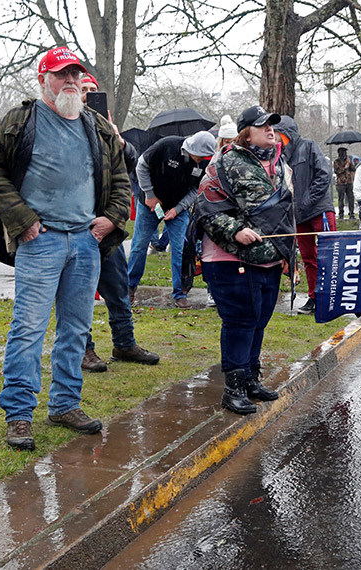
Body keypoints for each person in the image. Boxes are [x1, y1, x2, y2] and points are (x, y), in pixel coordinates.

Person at [0, 46, 131, 450]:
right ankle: (18, 414)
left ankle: (65, 403)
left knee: (76, 328)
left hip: (85, 242)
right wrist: (23, 221)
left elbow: (120, 176)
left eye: (75, 74)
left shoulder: (97, 126)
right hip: (40, 241)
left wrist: (112, 218)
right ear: (42, 79)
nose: (70, 81)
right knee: (28, 328)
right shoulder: (20, 120)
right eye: (61, 74)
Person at [192, 105, 293, 415]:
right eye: (263, 126)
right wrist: (235, 231)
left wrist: (290, 256)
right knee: (240, 321)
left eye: (273, 125)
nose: (270, 130)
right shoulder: (225, 163)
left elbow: (286, 213)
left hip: (269, 258)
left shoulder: (278, 163)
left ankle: (250, 379)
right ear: (245, 132)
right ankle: (233, 388)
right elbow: (204, 208)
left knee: (259, 321)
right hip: (229, 259)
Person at [79, 71, 160, 373]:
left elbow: (129, 163)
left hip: (109, 225)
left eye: (92, 89)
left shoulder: (106, 128)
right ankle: (83, 350)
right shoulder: (66, 127)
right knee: (81, 293)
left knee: (118, 287)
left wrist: (118, 138)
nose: (88, 94)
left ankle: (124, 343)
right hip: (78, 226)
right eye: (83, 89)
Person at [128, 130, 216, 309]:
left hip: (177, 207)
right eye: (199, 156)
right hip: (149, 204)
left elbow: (195, 190)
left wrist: (177, 210)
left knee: (180, 249)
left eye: (205, 157)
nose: (200, 160)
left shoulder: (205, 164)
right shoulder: (167, 146)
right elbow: (141, 166)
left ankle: (180, 292)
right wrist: (150, 195)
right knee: (139, 246)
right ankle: (129, 287)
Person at [274, 115, 335, 315]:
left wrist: (307, 200)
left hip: (319, 210)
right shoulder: (281, 157)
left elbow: (323, 174)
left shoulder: (308, 146)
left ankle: (332, 296)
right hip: (298, 216)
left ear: (286, 133)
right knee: (308, 257)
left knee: (329, 255)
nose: (274, 137)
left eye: (278, 133)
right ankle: (314, 296)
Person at [333, 146, 355, 219]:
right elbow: (337, 171)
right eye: (343, 153)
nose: (344, 154)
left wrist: (350, 164)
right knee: (341, 199)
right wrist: (345, 167)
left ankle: (351, 213)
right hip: (341, 183)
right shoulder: (336, 161)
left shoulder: (348, 160)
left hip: (349, 182)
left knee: (351, 198)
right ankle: (341, 214)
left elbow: (353, 169)